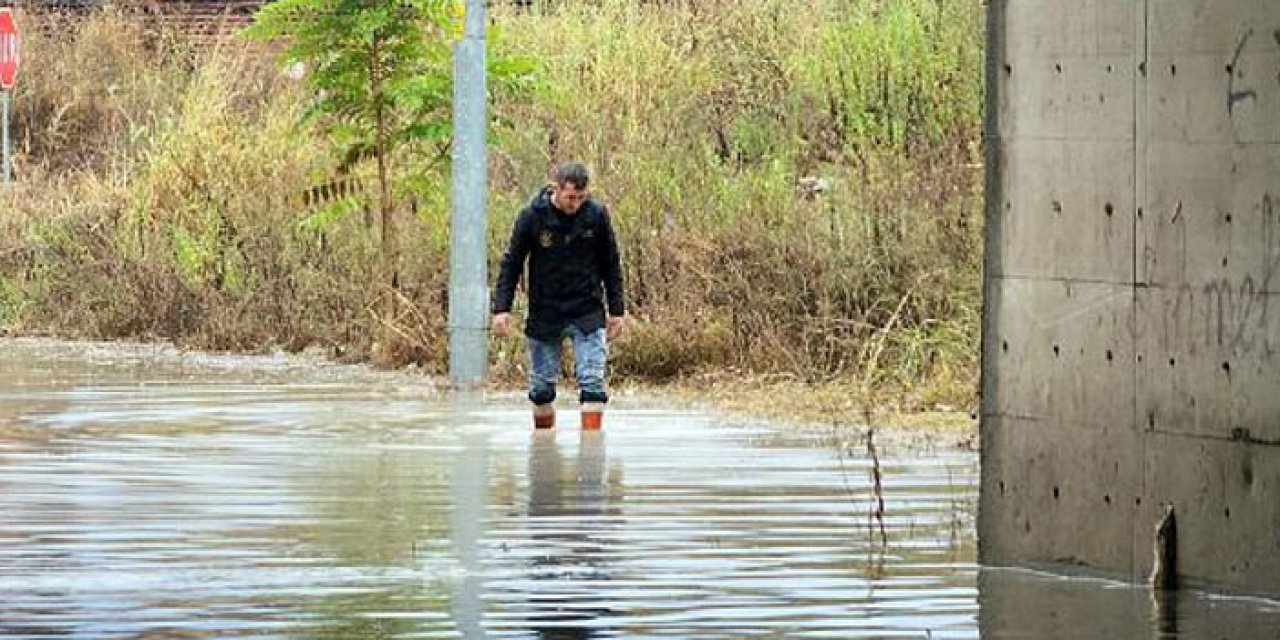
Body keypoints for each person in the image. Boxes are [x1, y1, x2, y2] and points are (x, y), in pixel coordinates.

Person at [491, 162, 625, 429]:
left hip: (586, 309)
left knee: (593, 386)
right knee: (541, 390)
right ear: (555, 189)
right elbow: (512, 263)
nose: (575, 203)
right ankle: (543, 454)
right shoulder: (532, 217)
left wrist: (617, 310)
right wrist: (501, 308)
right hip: (546, 310)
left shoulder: (596, 216)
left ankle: (591, 459)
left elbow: (611, 262)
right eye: (570, 197)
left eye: (581, 197)